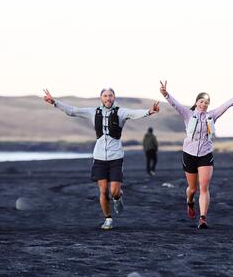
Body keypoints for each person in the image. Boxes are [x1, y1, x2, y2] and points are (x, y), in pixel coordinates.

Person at [43, 87, 160, 230]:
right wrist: (54, 102)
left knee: (114, 191)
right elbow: (73, 111)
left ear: (114, 97)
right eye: (105, 96)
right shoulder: (93, 112)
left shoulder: (121, 112)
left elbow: (135, 113)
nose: (108, 98)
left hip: (116, 156)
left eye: (110, 95)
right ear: (101, 98)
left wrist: (149, 111)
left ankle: (118, 198)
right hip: (99, 157)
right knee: (103, 190)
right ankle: (108, 219)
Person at [159, 80, 233, 229]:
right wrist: (165, 94)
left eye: (206, 103)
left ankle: (202, 218)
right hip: (189, 154)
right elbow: (175, 104)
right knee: (193, 189)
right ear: (196, 102)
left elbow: (227, 105)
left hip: (205, 154)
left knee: (204, 187)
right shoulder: (188, 114)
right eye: (201, 102)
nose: (203, 105)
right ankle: (190, 202)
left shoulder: (212, 115)